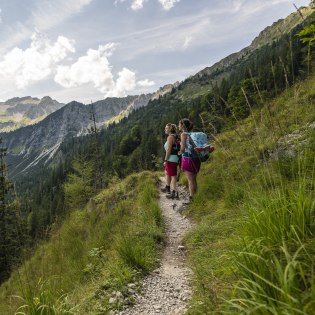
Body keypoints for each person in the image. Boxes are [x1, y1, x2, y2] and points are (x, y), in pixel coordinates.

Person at [178, 118, 201, 201]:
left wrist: (179, 152)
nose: (178, 126)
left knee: (190, 180)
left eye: (179, 124)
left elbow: (183, 148)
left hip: (188, 159)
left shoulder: (183, 134)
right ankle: (196, 197)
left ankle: (191, 198)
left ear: (183, 125)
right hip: (196, 159)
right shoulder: (193, 134)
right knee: (194, 179)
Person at [161, 123, 180, 199]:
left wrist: (166, 160)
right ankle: (167, 188)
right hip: (175, 157)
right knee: (168, 172)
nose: (165, 129)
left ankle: (174, 193)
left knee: (173, 175)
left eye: (166, 128)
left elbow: (168, 150)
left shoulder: (170, 137)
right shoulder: (175, 136)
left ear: (170, 129)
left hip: (171, 158)